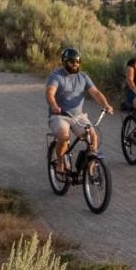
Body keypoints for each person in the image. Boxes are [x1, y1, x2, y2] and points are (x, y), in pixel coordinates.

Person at [47, 46, 112, 175]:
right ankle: (60, 162)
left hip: (78, 116)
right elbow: (50, 93)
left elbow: (95, 92)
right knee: (64, 136)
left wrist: (106, 104)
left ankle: (91, 166)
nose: (75, 64)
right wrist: (54, 105)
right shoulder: (56, 76)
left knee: (93, 136)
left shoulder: (83, 77)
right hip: (60, 115)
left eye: (77, 62)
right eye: (72, 62)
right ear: (65, 62)